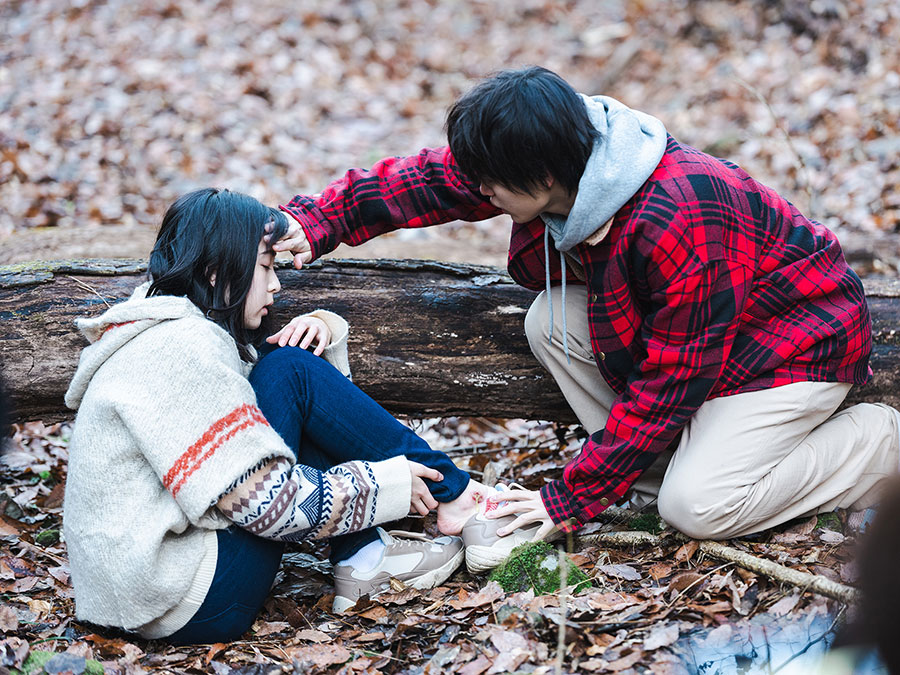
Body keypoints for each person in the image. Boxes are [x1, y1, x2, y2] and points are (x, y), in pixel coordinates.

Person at [272, 66, 899, 567]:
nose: (480, 193)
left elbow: (675, 379)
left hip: (789, 345)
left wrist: (567, 497)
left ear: (542, 175)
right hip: (708, 337)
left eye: (490, 185)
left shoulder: (679, 216)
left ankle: (877, 441)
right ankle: (643, 478)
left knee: (697, 507)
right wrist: (316, 221)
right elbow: (429, 182)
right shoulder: (552, 153)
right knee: (550, 320)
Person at [63, 188, 487, 644]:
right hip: (187, 601)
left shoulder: (164, 334)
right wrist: (386, 485)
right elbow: (267, 506)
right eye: (265, 267)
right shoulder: (182, 348)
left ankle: (366, 557)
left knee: (285, 369)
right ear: (215, 273)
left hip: (146, 596)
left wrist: (319, 334)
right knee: (289, 372)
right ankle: (457, 496)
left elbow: (262, 416)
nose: (276, 285)